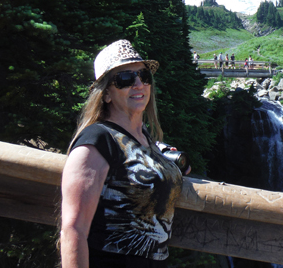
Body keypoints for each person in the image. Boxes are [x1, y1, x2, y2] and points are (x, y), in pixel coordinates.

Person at [61, 40, 189, 268]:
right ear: (106, 94)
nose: (139, 84)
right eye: (126, 79)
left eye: (144, 76)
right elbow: (74, 229)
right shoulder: (96, 142)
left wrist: (171, 167)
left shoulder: (144, 138)